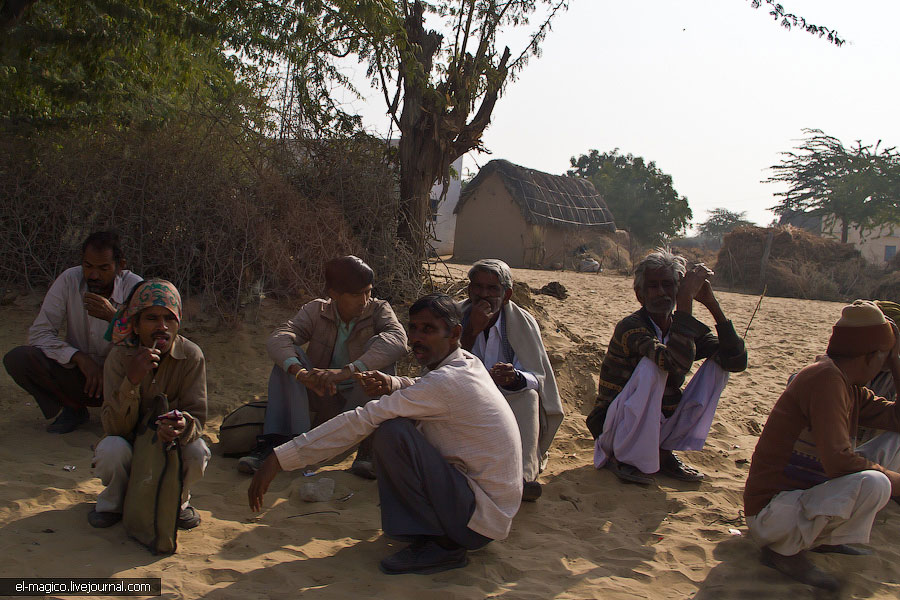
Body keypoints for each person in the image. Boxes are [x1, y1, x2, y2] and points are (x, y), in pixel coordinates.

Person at [248, 293, 523, 575]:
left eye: (428, 330)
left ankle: (444, 547)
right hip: (484, 513)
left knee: (392, 432)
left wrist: (280, 458)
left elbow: (363, 418)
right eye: (414, 328)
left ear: (453, 333)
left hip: (477, 520)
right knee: (396, 428)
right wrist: (393, 383)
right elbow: (424, 385)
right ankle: (426, 534)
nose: (417, 338)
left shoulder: (447, 380)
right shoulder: (466, 362)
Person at [743, 300, 900, 591]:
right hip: (772, 513)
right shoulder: (825, 379)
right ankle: (782, 551)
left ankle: (816, 540)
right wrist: (894, 480)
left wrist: (893, 361)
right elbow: (839, 462)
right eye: (882, 357)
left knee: (894, 444)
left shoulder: (847, 383)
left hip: (798, 502)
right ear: (868, 356)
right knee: (876, 483)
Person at [587, 249, 747, 484]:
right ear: (640, 294)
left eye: (668, 285)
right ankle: (625, 457)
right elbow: (674, 364)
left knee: (718, 365)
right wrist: (685, 304)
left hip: (659, 423)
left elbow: (736, 361)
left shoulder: (679, 326)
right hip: (615, 427)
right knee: (652, 368)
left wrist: (711, 304)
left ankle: (662, 452)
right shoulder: (631, 327)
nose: (661, 292)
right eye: (653, 286)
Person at [240, 256, 408, 478]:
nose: (365, 300)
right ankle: (277, 442)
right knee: (289, 359)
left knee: (383, 357)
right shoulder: (316, 310)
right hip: (323, 396)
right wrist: (300, 374)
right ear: (334, 294)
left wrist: (345, 372)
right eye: (357, 294)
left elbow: (398, 340)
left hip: (359, 397)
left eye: (368, 291)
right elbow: (278, 339)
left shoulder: (378, 310)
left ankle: (369, 451)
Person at [88, 280, 210, 530]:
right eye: (152, 318)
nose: (162, 327)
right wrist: (132, 381)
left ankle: (178, 504)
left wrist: (180, 426)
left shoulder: (191, 355)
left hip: (169, 449)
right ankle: (113, 504)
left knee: (198, 451)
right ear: (135, 324)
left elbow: (197, 419)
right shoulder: (120, 357)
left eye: (169, 319)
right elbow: (113, 427)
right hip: (130, 446)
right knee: (111, 449)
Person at [3, 231, 143, 433]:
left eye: (103, 268)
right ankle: (73, 408)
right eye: (88, 266)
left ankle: (127, 414)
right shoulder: (69, 280)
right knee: (19, 359)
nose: (93, 275)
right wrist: (79, 358)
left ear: (120, 265)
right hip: (81, 377)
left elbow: (148, 343)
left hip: (122, 379)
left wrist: (113, 318)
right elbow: (39, 333)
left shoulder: (136, 287)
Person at [460, 259, 563, 501]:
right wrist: (471, 331)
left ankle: (525, 478)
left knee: (528, 396)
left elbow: (538, 378)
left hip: (507, 397)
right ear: (469, 290)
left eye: (492, 289)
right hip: (464, 395)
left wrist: (515, 378)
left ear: (506, 295)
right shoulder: (456, 315)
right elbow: (442, 366)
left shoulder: (522, 323)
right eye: (478, 287)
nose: (484, 295)